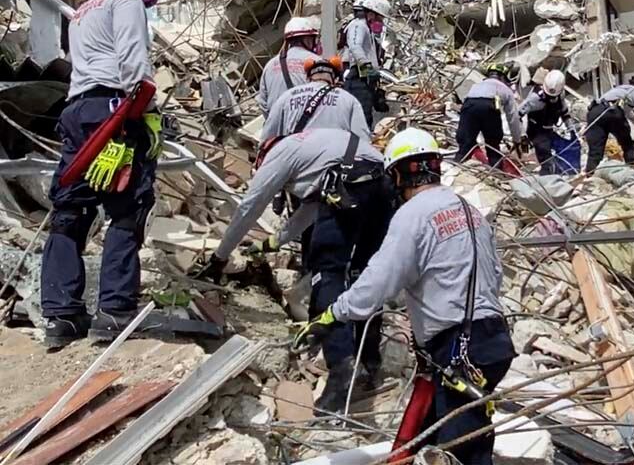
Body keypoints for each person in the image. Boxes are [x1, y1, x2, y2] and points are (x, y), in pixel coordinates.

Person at [295, 127, 515, 465]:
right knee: (424, 438)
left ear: (397, 175)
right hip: (493, 341)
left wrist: (332, 315)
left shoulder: (412, 216)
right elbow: (494, 275)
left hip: (459, 350)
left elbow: (378, 282)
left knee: (460, 453)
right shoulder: (470, 212)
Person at [191, 128, 396, 412]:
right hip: (382, 182)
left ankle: (341, 370)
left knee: (328, 273)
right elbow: (308, 212)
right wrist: (270, 244)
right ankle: (369, 360)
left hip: (349, 185)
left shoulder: (278, 153)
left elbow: (250, 205)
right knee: (366, 273)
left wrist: (220, 257)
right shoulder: (317, 149)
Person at [42, 0, 164, 349]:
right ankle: (114, 312)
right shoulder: (125, 2)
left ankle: (61, 315)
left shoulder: (81, 12)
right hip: (115, 106)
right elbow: (133, 60)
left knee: (69, 210)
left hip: (77, 109)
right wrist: (140, 108)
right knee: (127, 207)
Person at [260, 56, 371, 142]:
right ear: (336, 79)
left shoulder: (286, 97)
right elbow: (362, 139)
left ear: (308, 78)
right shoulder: (348, 99)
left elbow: (267, 137)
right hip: (333, 163)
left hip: (295, 162)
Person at [583, 71, 634, 173]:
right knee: (628, 144)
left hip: (595, 111)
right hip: (612, 112)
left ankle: (589, 176)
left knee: (595, 151)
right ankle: (631, 169)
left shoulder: (621, 90)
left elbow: (627, 112)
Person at [455, 63, 525, 169]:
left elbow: (465, 107)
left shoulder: (477, 86)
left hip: (469, 106)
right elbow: (513, 118)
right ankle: (497, 172)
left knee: (466, 143)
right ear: (502, 77)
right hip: (489, 107)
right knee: (493, 145)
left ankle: (457, 166)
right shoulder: (506, 90)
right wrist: (517, 140)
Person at [342, 0, 391, 128]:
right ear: (372, 13)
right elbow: (355, 46)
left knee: (366, 117)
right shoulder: (358, 26)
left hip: (365, 81)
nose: (380, 21)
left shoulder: (368, 30)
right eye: (380, 17)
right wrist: (367, 68)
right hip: (358, 80)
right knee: (361, 120)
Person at [258, 17, 321, 117]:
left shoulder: (270, 65)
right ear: (307, 39)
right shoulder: (317, 62)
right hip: (309, 126)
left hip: (279, 126)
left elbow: (263, 103)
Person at [518, 69, 570, 175]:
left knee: (561, 153)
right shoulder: (535, 98)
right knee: (546, 158)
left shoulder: (560, 95)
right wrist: (522, 136)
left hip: (549, 129)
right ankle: (546, 182)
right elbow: (517, 115)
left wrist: (571, 129)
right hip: (536, 130)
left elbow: (564, 112)